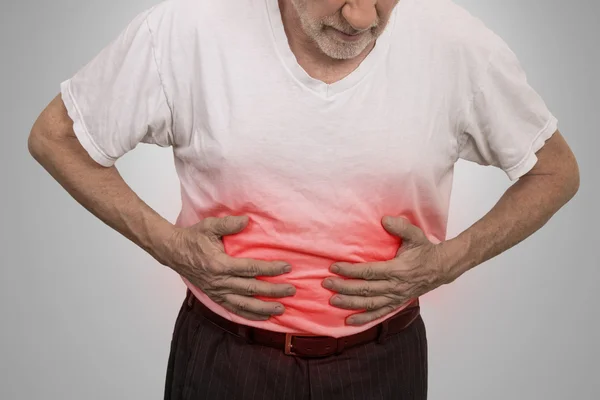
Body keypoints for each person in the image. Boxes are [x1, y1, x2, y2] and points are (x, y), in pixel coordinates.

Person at [28, 0, 580, 398]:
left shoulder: (459, 45)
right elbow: (55, 136)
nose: (362, 16)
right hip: (225, 362)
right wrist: (169, 246)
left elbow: (555, 170)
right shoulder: (185, 30)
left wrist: (449, 261)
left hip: (384, 364)